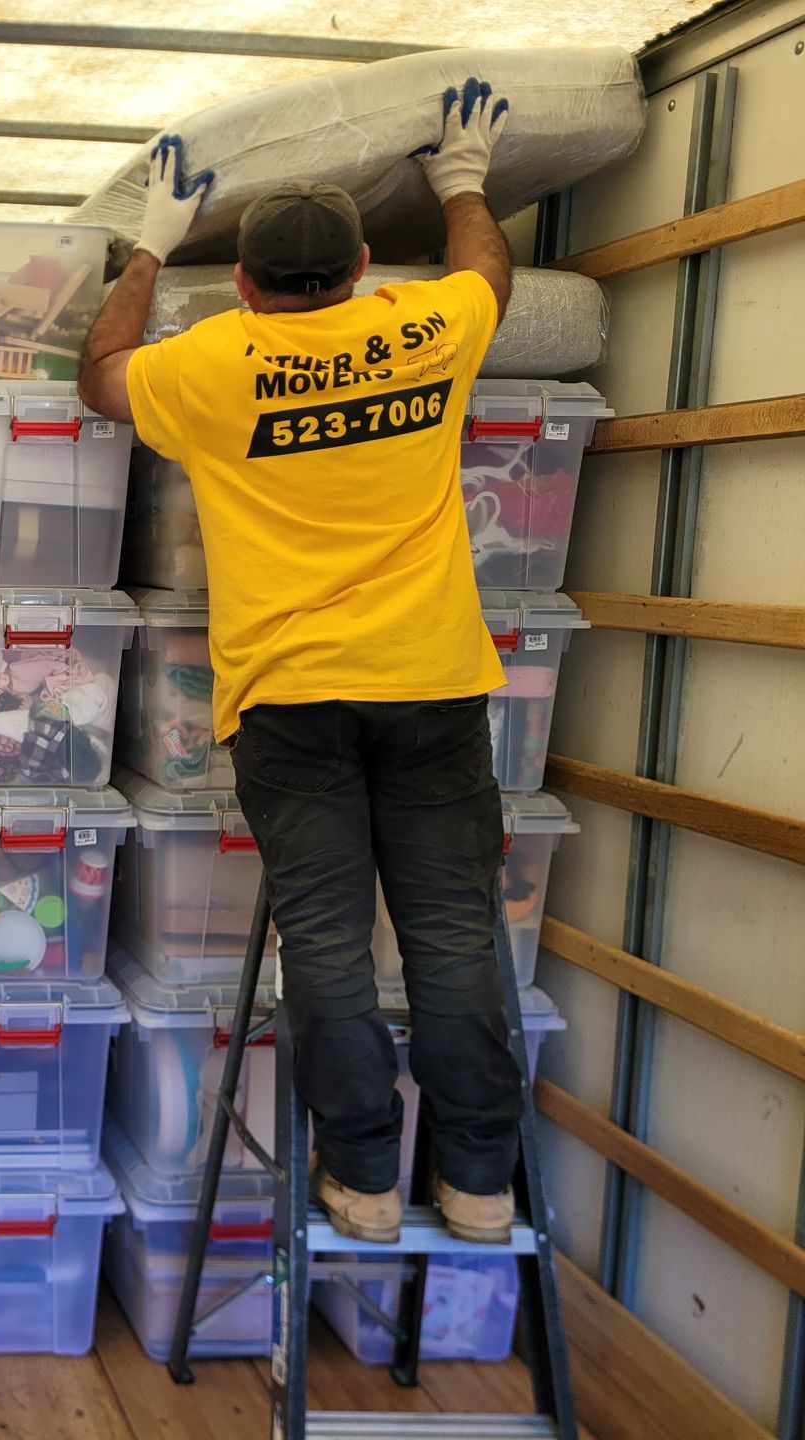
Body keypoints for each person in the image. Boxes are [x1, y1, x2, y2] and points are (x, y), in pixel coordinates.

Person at [78, 80, 521, 1246]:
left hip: (291, 702)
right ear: (369, 266)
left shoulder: (215, 364)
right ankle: (480, 1181)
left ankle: (366, 1181)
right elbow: (488, 277)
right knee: (457, 937)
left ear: (244, 282)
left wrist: (143, 250)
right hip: (431, 684)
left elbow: (100, 377)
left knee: (324, 941)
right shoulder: (424, 330)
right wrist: (464, 181)